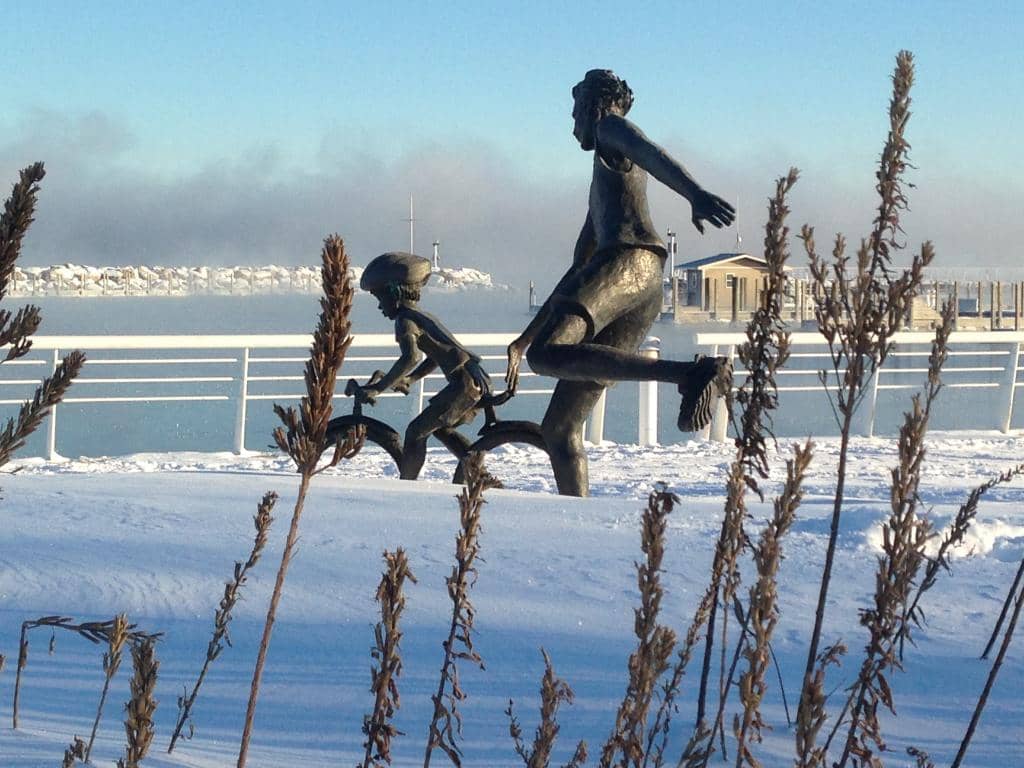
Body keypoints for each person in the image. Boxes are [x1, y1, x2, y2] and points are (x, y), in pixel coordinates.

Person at [505, 69, 736, 496]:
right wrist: (523, 339)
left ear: (593, 107)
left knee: (549, 354)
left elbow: (647, 150)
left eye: (574, 112)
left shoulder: (611, 127)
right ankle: (579, 519)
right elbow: (578, 271)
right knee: (560, 429)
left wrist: (695, 194)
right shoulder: (602, 190)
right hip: (640, 278)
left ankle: (690, 374)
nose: (572, 124)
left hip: (628, 261)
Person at [354, 252, 492, 480]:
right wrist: (410, 379)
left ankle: (408, 485)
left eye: (379, 299)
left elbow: (411, 358)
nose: (379, 307)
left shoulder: (405, 321)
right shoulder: (420, 316)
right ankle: (478, 473)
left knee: (415, 432)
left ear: (394, 293)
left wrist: (378, 388)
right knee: (441, 429)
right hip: (473, 379)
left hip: (465, 385)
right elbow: (436, 356)